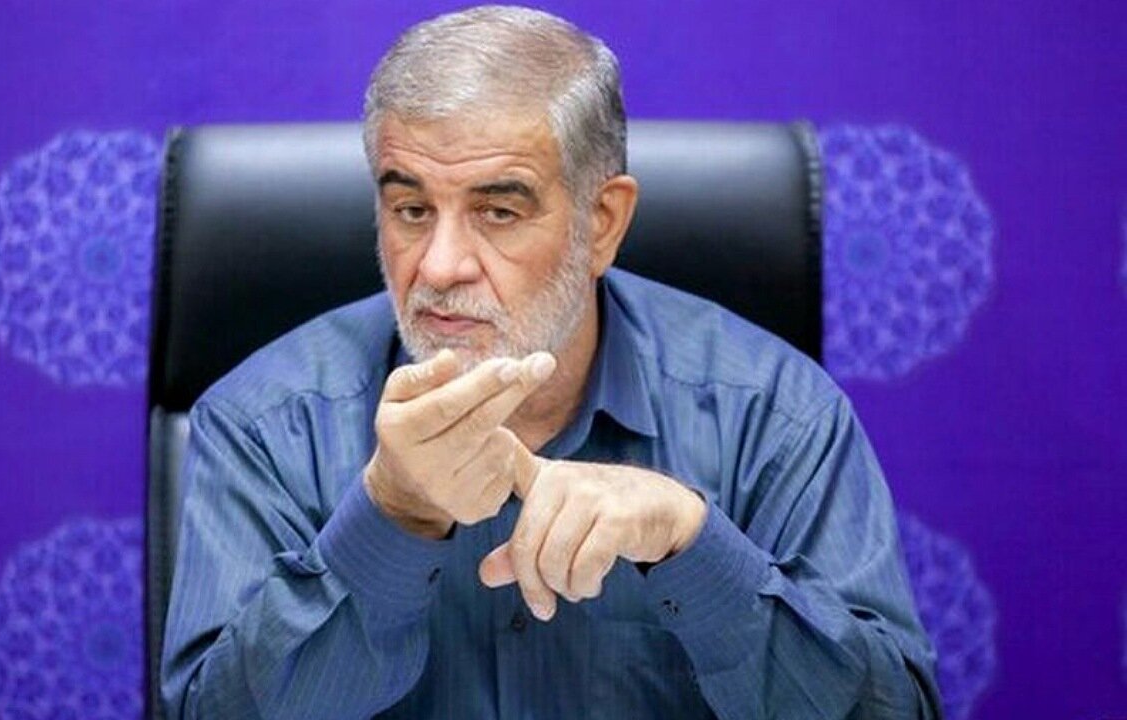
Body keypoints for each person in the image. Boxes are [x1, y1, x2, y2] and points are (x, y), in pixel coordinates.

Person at [161, 5, 941, 718]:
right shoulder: (265, 422)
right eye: (411, 210)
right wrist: (392, 515)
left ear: (603, 223)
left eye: (499, 212)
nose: (439, 267)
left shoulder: (773, 413)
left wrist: (690, 543)